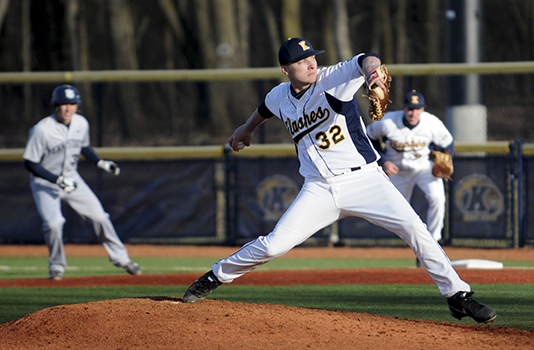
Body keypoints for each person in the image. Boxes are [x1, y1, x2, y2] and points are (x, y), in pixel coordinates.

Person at [183, 38, 496, 324]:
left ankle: (458, 296)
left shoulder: (332, 79)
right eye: (302, 61)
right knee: (274, 246)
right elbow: (264, 108)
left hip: (365, 181)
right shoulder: (279, 95)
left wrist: (374, 77)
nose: (311, 64)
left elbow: (367, 59)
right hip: (318, 188)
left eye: (312, 57)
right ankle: (215, 276)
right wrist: (247, 129)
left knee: (415, 229)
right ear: (285, 70)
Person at [23, 84, 142, 280]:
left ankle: (122, 259)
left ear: (77, 106)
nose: (68, 109)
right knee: (54, 224)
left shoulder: (81, 123)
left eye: (72, 104)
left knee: (100, 217)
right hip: (45, 183)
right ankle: (57, 266)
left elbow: (84, 147)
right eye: (63, 104)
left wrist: (100, 162)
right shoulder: (41, 130)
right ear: (55, 106)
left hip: (72, 179)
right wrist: (56, 180)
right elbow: (30, 163)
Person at [366, 90, 452, 244]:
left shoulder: (432, 123)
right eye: (410, 109)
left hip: (424, 169)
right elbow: (367, 138)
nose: (413, 113)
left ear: (423, 109)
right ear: (404, 108)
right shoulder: (387, 122)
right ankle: (414, 241)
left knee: (437, 198)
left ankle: (434, 241)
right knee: (397, 211)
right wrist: (383, 160)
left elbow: (448, 143)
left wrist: (447, 159)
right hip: (397, 171)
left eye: (417, 109)